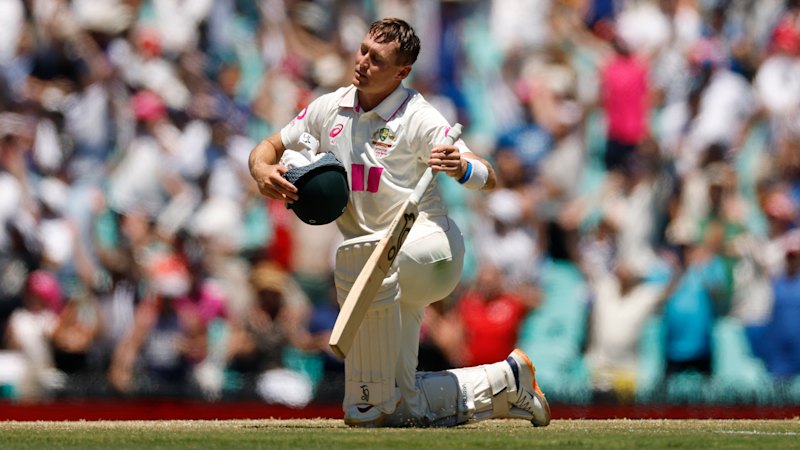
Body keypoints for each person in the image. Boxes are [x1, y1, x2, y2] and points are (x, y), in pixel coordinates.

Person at [249, 18, 551, 428]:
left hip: (431, 249)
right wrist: (261, 170)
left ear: (401, 72)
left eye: (377, 59)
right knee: (397, 407)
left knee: (360, 262)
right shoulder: (329, 107)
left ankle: (366, 396)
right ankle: (508, 382)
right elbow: (269, 147)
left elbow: (488, 176)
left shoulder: (418, 116)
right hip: (375, 267)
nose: (363, 62)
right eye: (363, 51)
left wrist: (461, 167)